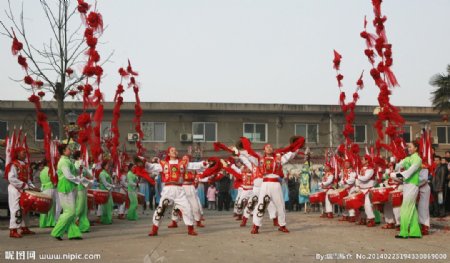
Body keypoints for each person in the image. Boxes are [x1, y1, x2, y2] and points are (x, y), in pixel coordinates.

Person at [239, 140, 302, 234]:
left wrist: (297, 148)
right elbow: (248, 155)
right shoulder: (259, 159)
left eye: (270, 147)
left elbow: (290, 155)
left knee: (280, 205)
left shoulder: (278, 159)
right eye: (267, 147)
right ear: (264, 150)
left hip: (276, 184)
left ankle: (282, 225)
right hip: (265, 184)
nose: (269, 148)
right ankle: (256, 226)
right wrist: (239, 150)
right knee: (262, 205)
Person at [146, 147, 208, 236]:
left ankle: (190, 229)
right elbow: (151, 167)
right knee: (161, 210)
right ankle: (154, 229)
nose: (174, 152)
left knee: (187, 209)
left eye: (176, 150)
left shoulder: (182, 163)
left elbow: (194, 165)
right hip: (168, 190)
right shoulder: (164, 164)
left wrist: (204, 163)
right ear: (168, 154)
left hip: (180, 190)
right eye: (172, 151)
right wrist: (143, 162)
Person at [51, 144, 89, 240]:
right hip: (65, 188)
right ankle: (57, 231)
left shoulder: (68, 161)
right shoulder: (63, 161)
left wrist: (79, 167)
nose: (70, 150)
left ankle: (73, 233)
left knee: (71, 212)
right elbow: (68, 175)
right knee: (70, 211)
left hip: (71, 187)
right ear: (64, 151)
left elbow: (74, 172)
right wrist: (80, 180)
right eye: (68, 149)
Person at [392, 141, 422, 239]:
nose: (408, 148)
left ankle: (403, 232)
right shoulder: (407, 158)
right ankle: (415, 232)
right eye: (408, 147)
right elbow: (398, 166)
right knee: (411, 208)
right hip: (406, 185)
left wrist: (394, 175)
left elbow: (408, 173)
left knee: (405, 208)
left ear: (416, 148)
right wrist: (394, 162)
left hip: (413, 185)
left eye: (410, 147)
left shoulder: (417, 159)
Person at [7, 147, 38, 238]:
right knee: (16, 209)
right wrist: (25, 186)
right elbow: (11, 178)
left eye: (25, 152)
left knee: (25, 208)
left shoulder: (25, 164)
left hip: (23, 189)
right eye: (23, 152)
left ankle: (24, 227)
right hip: (14, 189)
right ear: (17, 154)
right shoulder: (13, 164)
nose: (25, 154)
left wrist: (32, 187)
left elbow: (28, 179)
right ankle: (13, 230)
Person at [74, 151, 93, 233]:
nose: (83, 157)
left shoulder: (83, 166)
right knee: (80, 207)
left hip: (84, 187)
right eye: (82, 156)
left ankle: (83, 226)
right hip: (79, 188)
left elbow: (90, 175)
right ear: (78, 157)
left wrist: (86, 176)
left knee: (84, 208)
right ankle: (73, 221)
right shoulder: (75, 165)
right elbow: (75, 175)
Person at [355, 155, 376, 227]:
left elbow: (365, 178)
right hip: (362, 189)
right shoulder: (361, 168)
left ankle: (371, 219)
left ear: (367, 160)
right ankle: (363, 219)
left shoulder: (371, 169)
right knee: (360, 206)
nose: (361, 160)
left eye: (363, 159)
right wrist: (357, 185)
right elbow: (359, 179)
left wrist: (357, 176)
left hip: (368, 189)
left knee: (368, 206)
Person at [39, 160, 56, 228]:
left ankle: (42, 223)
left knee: (43, 206)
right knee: (51, 207)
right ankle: (50, 222)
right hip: (50, 188)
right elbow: (53, 180)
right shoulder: (51, 171)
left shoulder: (42, 171)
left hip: (43, 189)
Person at [98, 160, 115, 225]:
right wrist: (112, 186)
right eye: (107, 165)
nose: (108, 166)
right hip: (104, 191)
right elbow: (105, 183)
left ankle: (108, 219)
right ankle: (105, 219)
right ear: (104, 166)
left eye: (108, 165)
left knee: (109, 205)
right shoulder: (102, 173)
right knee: (105, 206)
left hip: (108, 191)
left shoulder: (107, 173)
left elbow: (110, 182)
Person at [418, 167, 431, 235]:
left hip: (423, 188)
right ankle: (419, 224)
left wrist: (413, 182)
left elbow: (424, 179)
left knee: (423, 208)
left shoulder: (423, 166)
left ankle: (425, 226)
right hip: (415, 188)